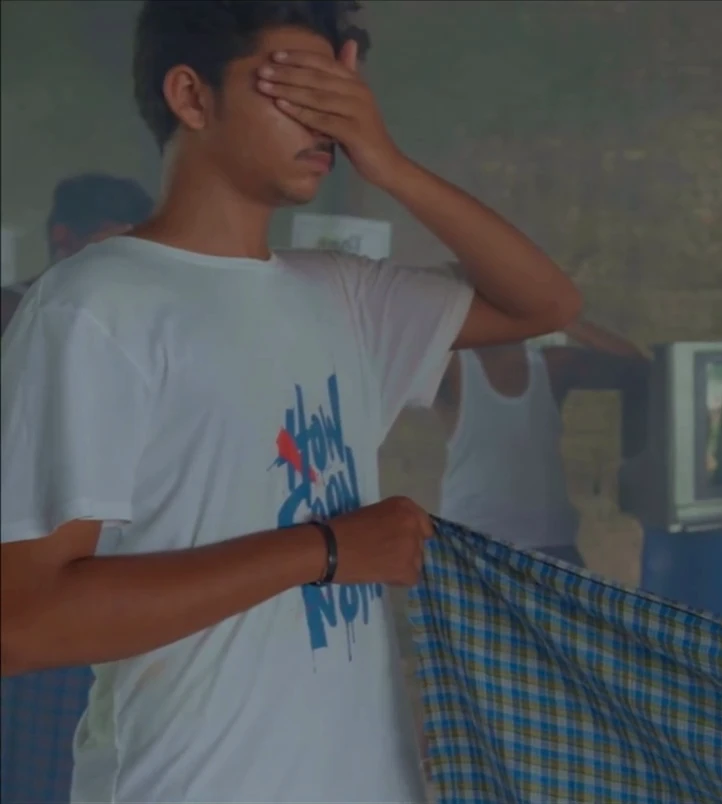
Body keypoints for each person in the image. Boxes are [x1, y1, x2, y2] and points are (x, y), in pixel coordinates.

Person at [0, 2, 580, 802]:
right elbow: (20, 621)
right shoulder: (96, 306)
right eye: (298, 87)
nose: (328, 122)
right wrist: (326, 550)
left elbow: (545, 304)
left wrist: (390, 164)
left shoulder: (340, 295)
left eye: (341, 96)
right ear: (191, 96)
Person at [0, 174, 155, 804]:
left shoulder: (132, 330)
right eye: (111, 249)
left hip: (82, 584)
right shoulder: (15, 314)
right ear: (63, 240)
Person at [433, 318, 649, 566]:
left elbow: (637, 366)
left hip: (550, 544)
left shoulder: (548, 365)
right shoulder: (453, 366)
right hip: (475, 545)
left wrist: (563, 319)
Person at [0, 174, 155, 333]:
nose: (124, 264)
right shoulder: (11, 311)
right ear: (62, 235)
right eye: (110, 249)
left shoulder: (135, 317)